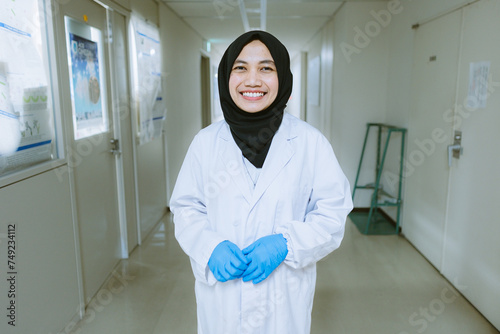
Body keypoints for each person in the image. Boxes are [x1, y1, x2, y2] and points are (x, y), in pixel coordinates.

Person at [169, 30, 353, 334]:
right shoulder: (205, 143)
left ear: (283, 78)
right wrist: (209, 246)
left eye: (266, 68)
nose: (252, 80)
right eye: (240, 68)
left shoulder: (310, 143)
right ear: (225, 77)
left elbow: (333, 213)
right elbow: (187, 207)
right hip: (222, 305)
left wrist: (287, 243)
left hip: (283, 303)